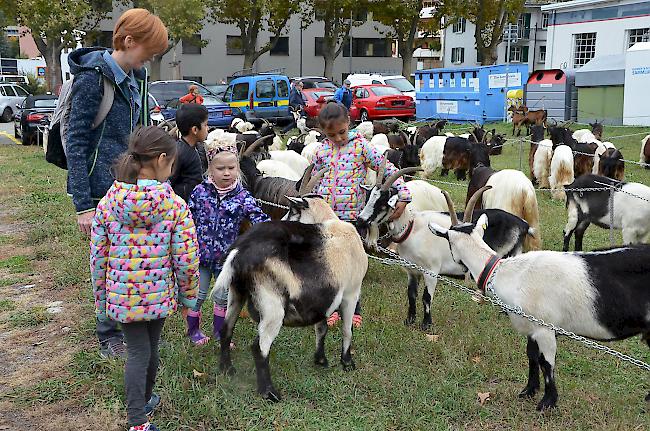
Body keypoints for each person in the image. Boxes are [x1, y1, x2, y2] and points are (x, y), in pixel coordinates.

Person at [65, 8, 169, 359]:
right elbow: (76, 142)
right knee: (105, 263)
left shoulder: (136, 79)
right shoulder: (93, 80)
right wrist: (83, 204)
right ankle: (108, 334)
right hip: (98, 188)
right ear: (128, 41)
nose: (150, 60)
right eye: (149, 52)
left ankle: (133, 323)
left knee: (131, 260)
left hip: (129, 186)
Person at [90, 126, 199, 431]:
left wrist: (102, 298)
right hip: (157, 295)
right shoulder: (174, 206)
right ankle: (137, 420)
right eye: (173, 163)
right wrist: (189, 297)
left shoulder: (108, 203)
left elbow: (98, 257)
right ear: (163, 159)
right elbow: (186, 258)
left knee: (141, 350)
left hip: (122, 297)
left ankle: (145, 401)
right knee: (147, 350)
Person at [312, 101, 411, 328]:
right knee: (329, 266)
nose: (337, 138)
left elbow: (388, 170)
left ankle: (353, 308)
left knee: (351, 267)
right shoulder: (320, 151)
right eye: (331, 134)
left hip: (353, 219)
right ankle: (332, 308)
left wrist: (404, 194)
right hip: (327, 219)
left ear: (349, 123)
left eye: (341, 132)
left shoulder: (361, 147)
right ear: (322, 132)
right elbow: (315, 180)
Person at [186, 140, 270, 346]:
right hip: (201, 256)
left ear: (238, 169)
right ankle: (193, 330)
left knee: (222, 296)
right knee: (199, 293)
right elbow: (186, 218)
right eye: (220, 168)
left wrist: (273, 232)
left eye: (231, 168)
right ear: (210, 170)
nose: (226, 173)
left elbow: (260, 218)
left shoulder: (242, 197)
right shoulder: (199, 192)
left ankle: (218, 331)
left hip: (226, 260)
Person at [168, 103, 209, 202]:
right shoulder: (179, 153)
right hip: (184, 207)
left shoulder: (199, 148)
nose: (208, 128)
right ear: (195, 130)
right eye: (205, 125)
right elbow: (170, 182)